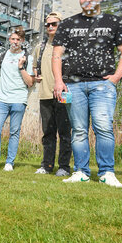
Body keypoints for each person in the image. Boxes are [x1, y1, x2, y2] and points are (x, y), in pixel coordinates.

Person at [52, 0, 122, 187]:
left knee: (103, 127)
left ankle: (107, 172)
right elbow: (57, 55)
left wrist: (116, 77)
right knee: (78, 130)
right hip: (73, 85)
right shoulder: (67, 24)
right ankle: (81, 171)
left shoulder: (115, 22)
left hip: (102, 84)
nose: (87, 0)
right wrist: (59, 81)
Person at [0, 27, 34, 171]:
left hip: (19, 99)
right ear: (9, 39)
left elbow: (30, 82)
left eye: (18, 39)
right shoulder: (2, 56)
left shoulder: (28, 58)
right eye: (13, 39)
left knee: (14, 131)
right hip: (2, 99)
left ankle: (9, 163)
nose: (15, 42)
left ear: (22, 41)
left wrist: (21, 67)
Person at [33, 12, 72, 176]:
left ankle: (64, 167)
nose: (50, 27)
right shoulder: (39, 47)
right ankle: (47, 165)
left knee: (64, 133)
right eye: (47, 24)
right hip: (45, 95)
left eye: (54, 24)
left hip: (63, 95)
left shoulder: (68, 46)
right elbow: (35, 66)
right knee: (48, 133)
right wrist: (36, 74)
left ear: (61, 25)